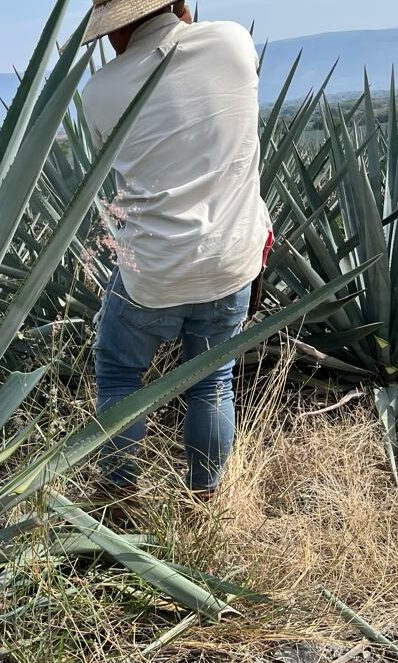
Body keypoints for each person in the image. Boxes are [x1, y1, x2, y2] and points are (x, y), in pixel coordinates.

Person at [81, 0, 272, 500]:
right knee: (213, 382)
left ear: (114, 31)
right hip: (230, 260)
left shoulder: (100, 92)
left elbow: (113, 169)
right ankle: (203, 499)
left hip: (153, 272)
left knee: (121, 375)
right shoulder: (233, 42)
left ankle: (119, 498)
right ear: (179, 5)